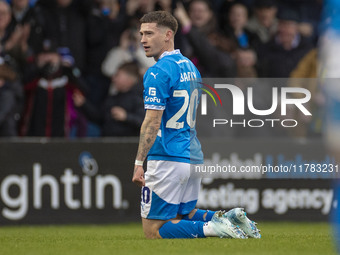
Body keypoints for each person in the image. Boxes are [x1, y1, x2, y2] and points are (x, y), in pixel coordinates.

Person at [131, 11, 261, 239]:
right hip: (192, 154)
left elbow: (152, 120)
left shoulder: (158, 71)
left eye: (149, 33)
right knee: (186, 213)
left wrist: (139, 162)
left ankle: (214, 228)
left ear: (168, 35)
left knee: (153, 230)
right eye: (141, 33)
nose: (143, 39)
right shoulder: (191, 68)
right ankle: (231, 218)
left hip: (168, 155)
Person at [73, 62, 144, 137]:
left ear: (129, 79)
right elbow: (100, 118)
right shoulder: (113, 98)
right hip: (108, 143)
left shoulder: (139, 98)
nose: (113, 79)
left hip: (128, 145)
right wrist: (84, 104)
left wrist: (126, 117)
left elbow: (144, 122)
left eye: (117, 75)